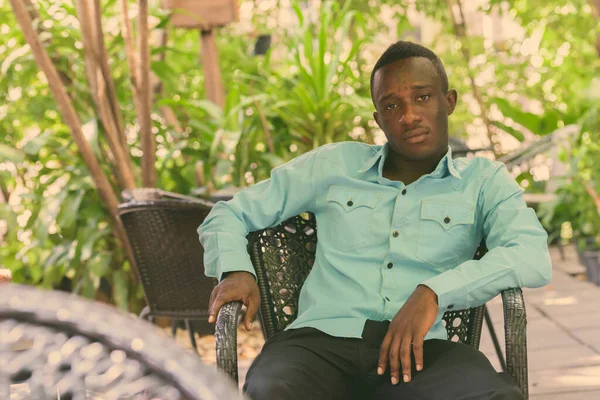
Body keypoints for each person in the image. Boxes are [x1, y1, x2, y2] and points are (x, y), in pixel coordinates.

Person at [198, 41, 551, 400]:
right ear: (378, 119)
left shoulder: (484, 181)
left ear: (449, 101)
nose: (408, 115)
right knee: (272, 390)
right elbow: (229, 212)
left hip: (424, 354)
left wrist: (433, 293)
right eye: (391, 105)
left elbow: (529, 254)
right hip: (318, 347)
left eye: (422, 97)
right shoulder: (334, 165)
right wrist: (236, 270)